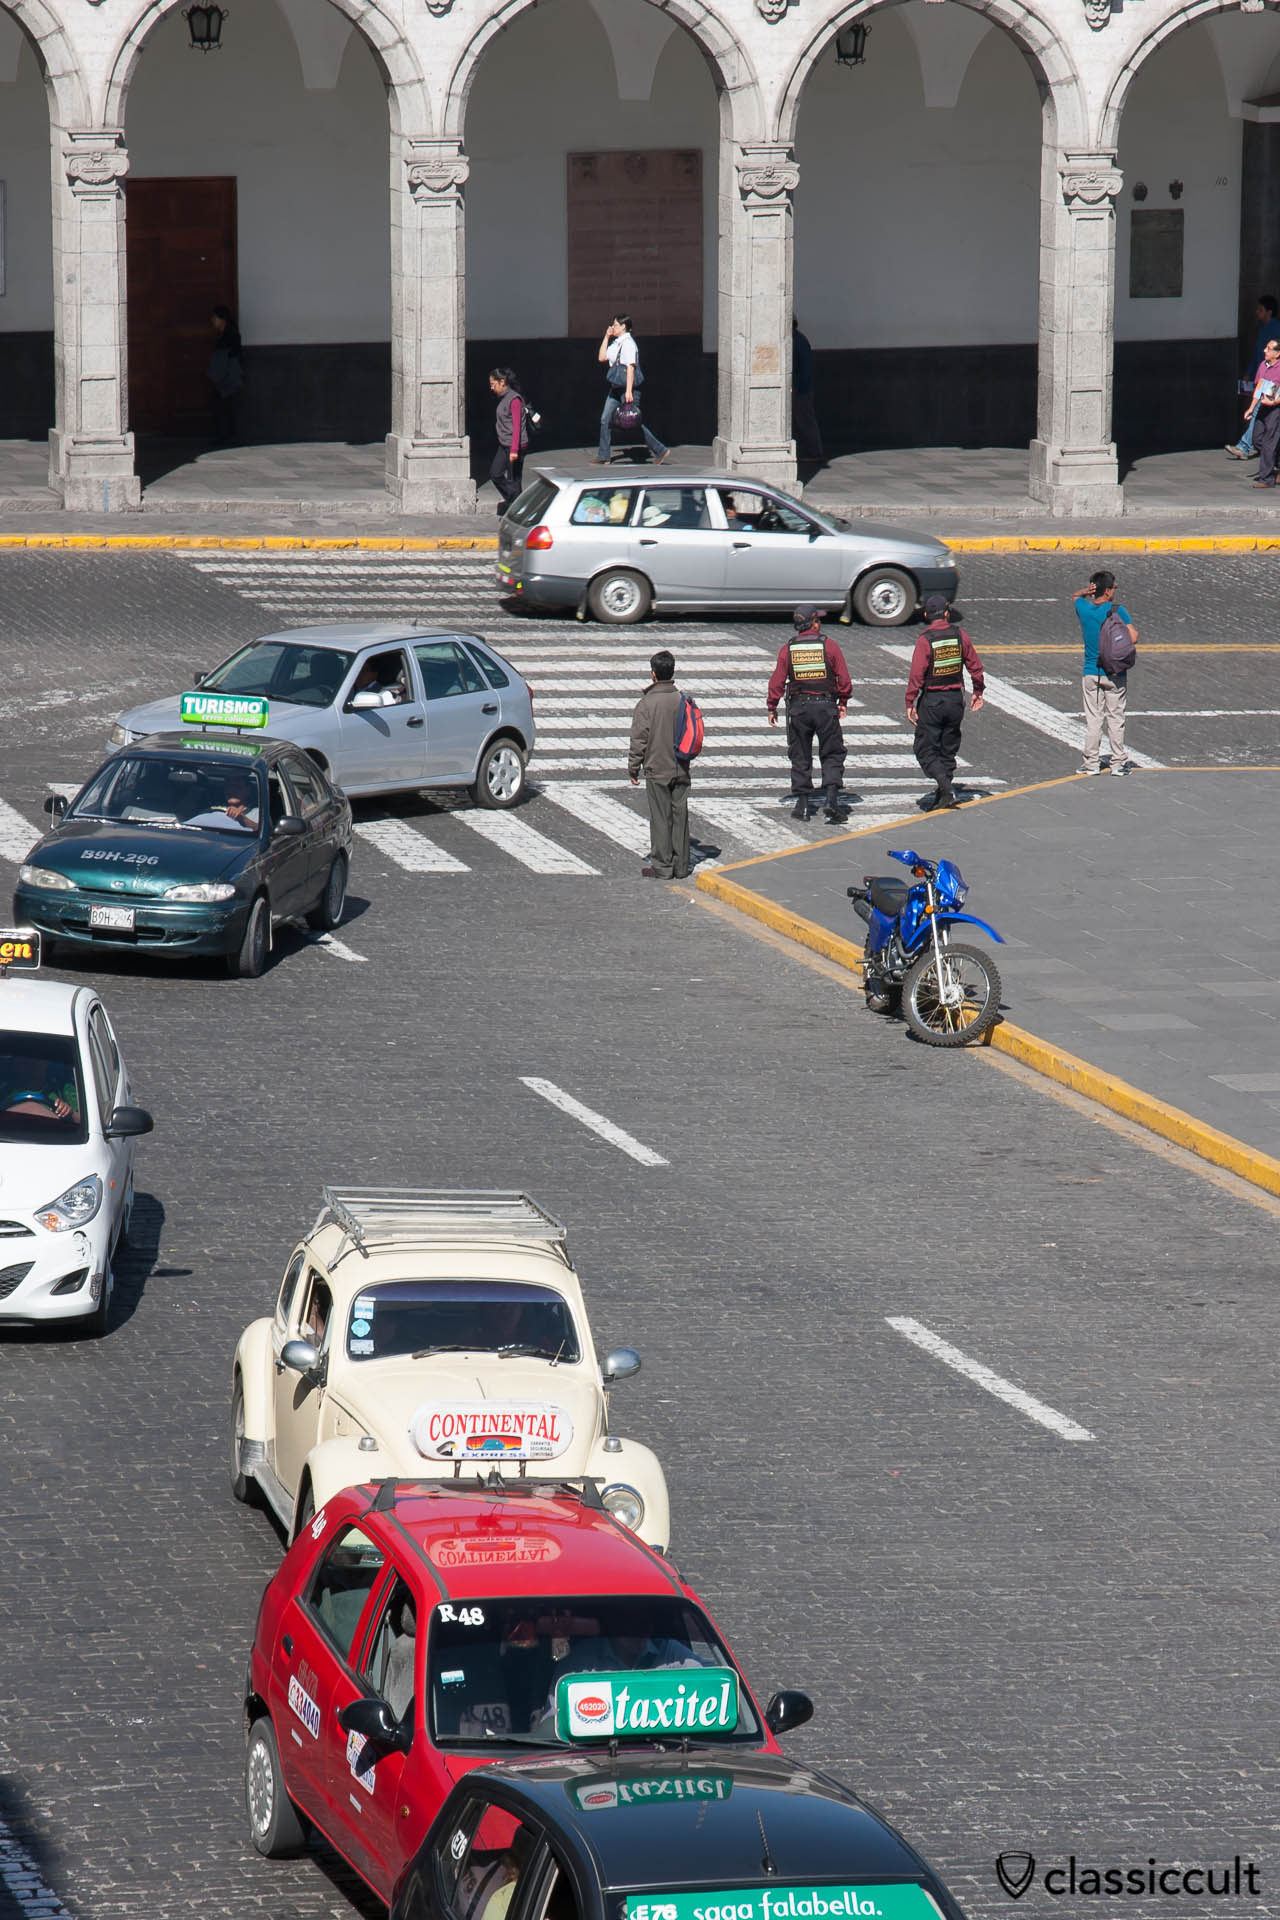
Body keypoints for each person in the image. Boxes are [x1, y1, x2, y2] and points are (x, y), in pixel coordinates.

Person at [766, 605, 853, 822]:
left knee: (800, 755)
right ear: (814, 623)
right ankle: (831, 800)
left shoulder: (788, 649)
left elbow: (777, 681)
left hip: (799, 709)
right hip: (826, 707)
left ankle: (803, 806)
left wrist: (772, 706)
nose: (820, 623)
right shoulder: (829, 645)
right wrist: (843, 700)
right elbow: (844, 679)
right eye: (818, 620)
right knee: (832, 753)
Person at [905, 593, 985, 810]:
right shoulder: (960, 635)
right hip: (955, 701)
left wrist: (910, 701)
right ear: (947, 613)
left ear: (926, 615)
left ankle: (947, 789)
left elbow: (916, 675)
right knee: (948, 749)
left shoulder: (925, 640)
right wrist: (978, 690)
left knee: (925, 750)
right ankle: (944, 795)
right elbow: (975, 666)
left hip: (932, 701)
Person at [628, 649, 689, 880]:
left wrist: (633, 768)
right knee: (680, 816)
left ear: (653, 674)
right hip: (681, 767)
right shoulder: (682, 700)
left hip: (657, 769)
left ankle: (663, 866)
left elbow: (639, 740)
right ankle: (682, 866)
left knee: (661, 818)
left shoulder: (646, 704)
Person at [1073, 570, 1137, 776]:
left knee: (1094, 719)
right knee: (1116, 718)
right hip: (1114, 673)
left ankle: (1091, 763)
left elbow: (1075, 596)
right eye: (1113, 588)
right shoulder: (1117, 610)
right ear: (1108, 591)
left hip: (1091, 672)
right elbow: (1133, 637)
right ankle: (1118, 763)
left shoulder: (1083, 608)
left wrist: (1087, 591)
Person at [596, 316, 669, 467]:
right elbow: (602, 357)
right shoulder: (617, 342)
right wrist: (606, 336)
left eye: (615, 325)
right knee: (605, 419)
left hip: (628, 388)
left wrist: (629, 391)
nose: (613, 327)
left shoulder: (629, 344)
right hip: (616, 387)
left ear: (623, 326)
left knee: (632, 420)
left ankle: (660, 450)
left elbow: (631, 367)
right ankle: (604, 456)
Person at [1226, 296, 1279, 459]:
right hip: (1263, 377)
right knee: (1257, 410)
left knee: (1260, 410)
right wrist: (1250, 371)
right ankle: (1248, 446)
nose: (1257, 312)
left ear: (1269, 312)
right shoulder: (1263, 329)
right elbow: (1258, 354)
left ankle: (1245, 446)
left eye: (1260, 310)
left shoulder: (1275, 330)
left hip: (1272, 378)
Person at [488, 368, 526, 517]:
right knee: (495, 473)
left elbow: (517, 427)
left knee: (513, 480)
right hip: (504, 444)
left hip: (514, 446)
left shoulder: (514, 400)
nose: (491, 388)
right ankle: (516, 502)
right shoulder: (503, 398)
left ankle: (517, 509)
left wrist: (514, 450)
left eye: (493, 384)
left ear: (502, 382)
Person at [207, 305, 244, 446]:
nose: (212, 320)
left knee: (225, 406)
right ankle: (225, 435)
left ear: (222, 319)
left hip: (227, 376)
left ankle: (227, 435)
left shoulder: (230, 335)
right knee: (223, 406)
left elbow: (228, 357)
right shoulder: (224, 334)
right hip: (223, 375)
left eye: (215, 317)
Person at [791, 317, 825, 464]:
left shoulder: (797, 341)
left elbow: (803, 370)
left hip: (801, 390)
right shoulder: (798, 339)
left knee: (805, 420)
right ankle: (809, 450)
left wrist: (797, 388)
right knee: (802, 420)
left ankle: (814, 452)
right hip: (801, 388)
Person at [1248, 340, 1280, 487]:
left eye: (1268, 348)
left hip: (1276, 408)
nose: (1264, 351)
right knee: (1257, 438)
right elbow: (1259, 388)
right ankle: (1275, 462)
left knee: (1269, 442)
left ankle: (1266, 478)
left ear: (1277, 354)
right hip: (1263, 406)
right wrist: (1251, 408)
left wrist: (1274, 402)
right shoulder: (1263, 365)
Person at [184, 773, 260, 831]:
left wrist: (243, 819)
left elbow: (262, 832)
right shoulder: (212, 810)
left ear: (248, 790)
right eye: (229, 786)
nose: (232, 790)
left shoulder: (258, 813)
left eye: (237, 787)